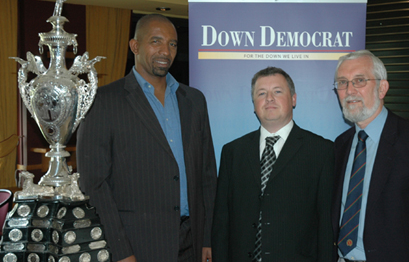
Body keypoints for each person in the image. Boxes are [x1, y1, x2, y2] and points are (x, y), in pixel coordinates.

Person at [77, 14, 217, 262]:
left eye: (172, 44)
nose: (166, 51)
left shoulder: (195, 101)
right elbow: (95, 184)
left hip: (191, 242)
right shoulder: (104, 101)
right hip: (137, 244)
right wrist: (121, 250)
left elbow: (207, 174)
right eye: (156, 41)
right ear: (135, 46)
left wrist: (208, 238)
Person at [212, 66, 335, 262]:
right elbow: (221, 221)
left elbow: (326, 225)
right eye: (262, 93)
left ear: (293, 99)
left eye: (277, 91)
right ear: (254, 104)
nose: (269, 98)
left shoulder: (322, 151)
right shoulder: (232, 152)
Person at [332, 50, 409, 262]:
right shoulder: (339, 146)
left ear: (382, 88)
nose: (349, 90)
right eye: (342, 82)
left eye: (359, 80)